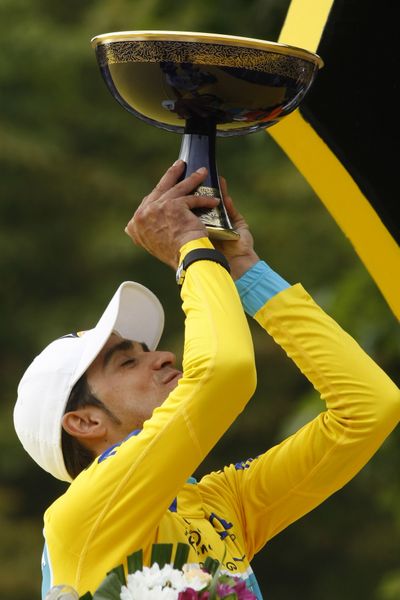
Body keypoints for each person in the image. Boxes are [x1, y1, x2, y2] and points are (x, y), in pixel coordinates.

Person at [14, 161, 400, 599]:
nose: (161, 357)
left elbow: (369, 408)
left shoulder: (217, 504)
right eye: (126, 363)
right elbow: (223, 373)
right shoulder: (82, 515)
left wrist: (245, 268)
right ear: (83, 423)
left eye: (145, 351)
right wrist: (191, 249)